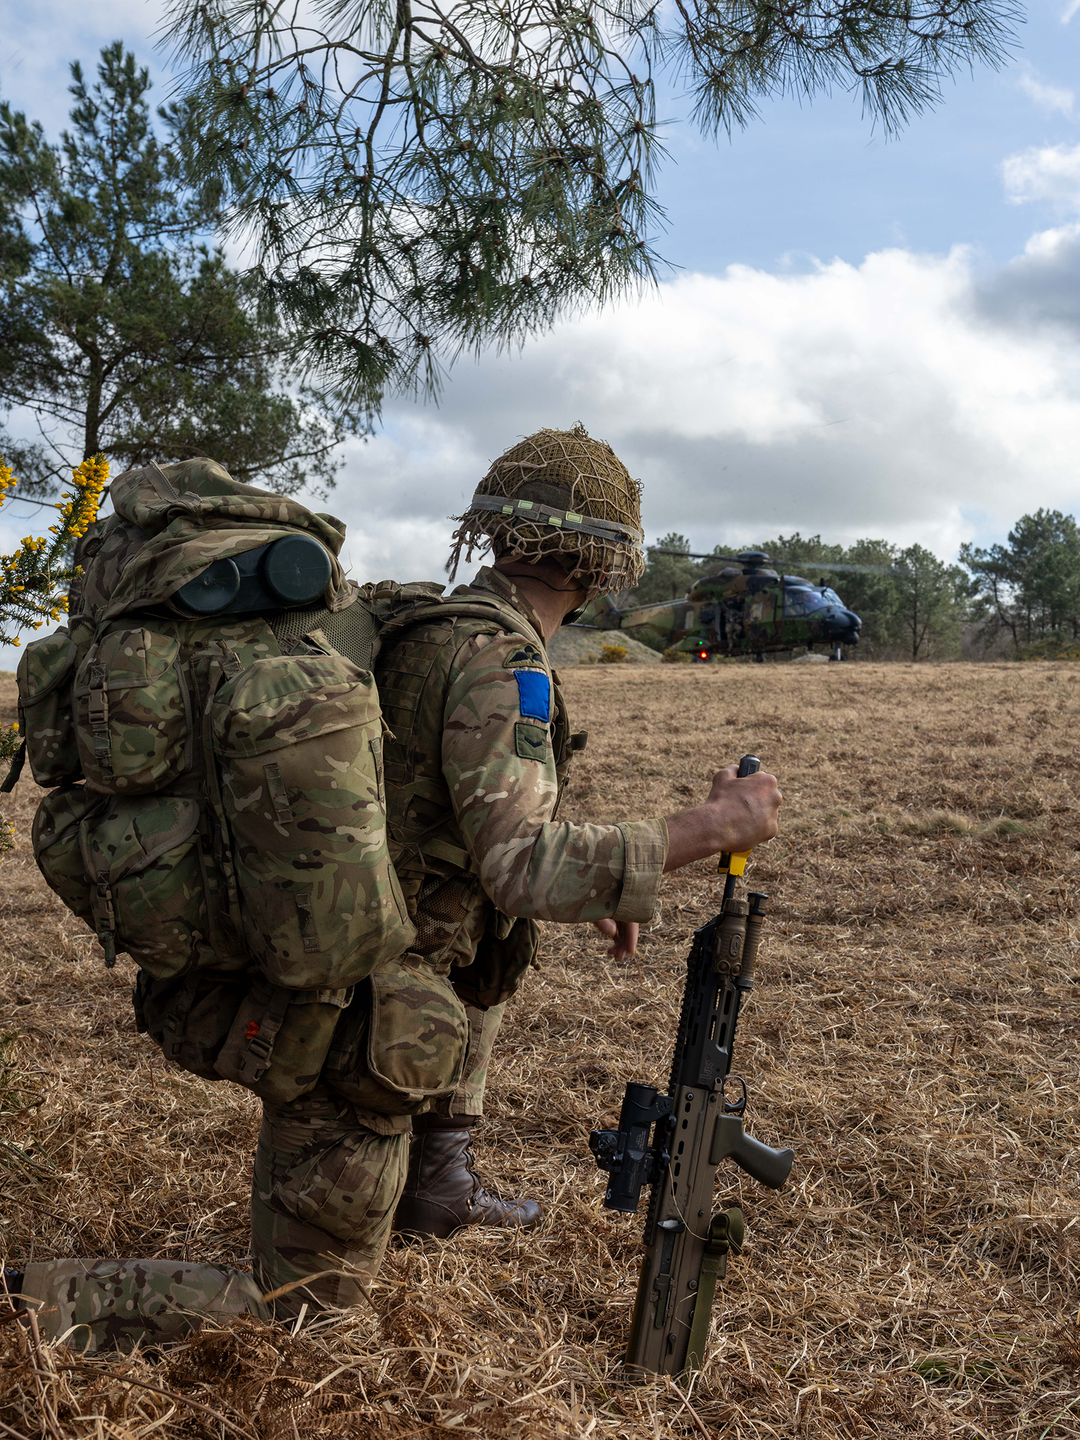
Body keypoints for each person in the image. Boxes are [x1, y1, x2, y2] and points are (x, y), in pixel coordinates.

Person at [3, 426, 781, 1351]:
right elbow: (520, 862)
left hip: (337, 986)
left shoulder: (419, 625)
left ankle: (432, 1181)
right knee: (303, 1318)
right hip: (351, 1031)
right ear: (604, 565)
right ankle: (27, 1300)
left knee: (466, 970)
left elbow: (439, 836)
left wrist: (612, 879)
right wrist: (706, 832)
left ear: (490, 532)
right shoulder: (501, 659)